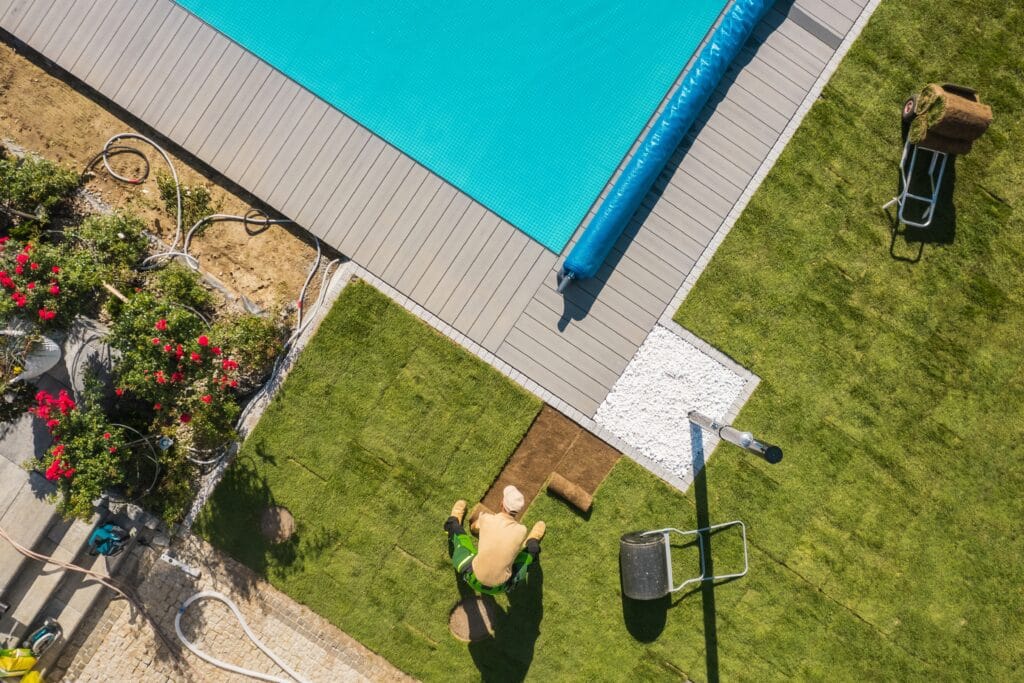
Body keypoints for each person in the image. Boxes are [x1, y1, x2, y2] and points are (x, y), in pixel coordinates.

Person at [444, 485, 545, 595]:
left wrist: (475, 527)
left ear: (501, 503)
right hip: (500, 588)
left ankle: (454, 520)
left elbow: (474, 527)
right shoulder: (522, 530)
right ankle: (533, 539)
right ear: (516, 512)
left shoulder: (486, 518)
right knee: (532, 550)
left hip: (471, 576)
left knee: (457, 532)